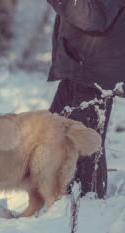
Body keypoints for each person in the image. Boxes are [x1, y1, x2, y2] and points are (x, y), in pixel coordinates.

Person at [47, 0, 125, 198]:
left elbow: (92, 18)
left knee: (84, 146)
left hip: (95, 74)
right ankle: (62, 203)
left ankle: (87, 208)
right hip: (79, 66)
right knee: (53, 135)